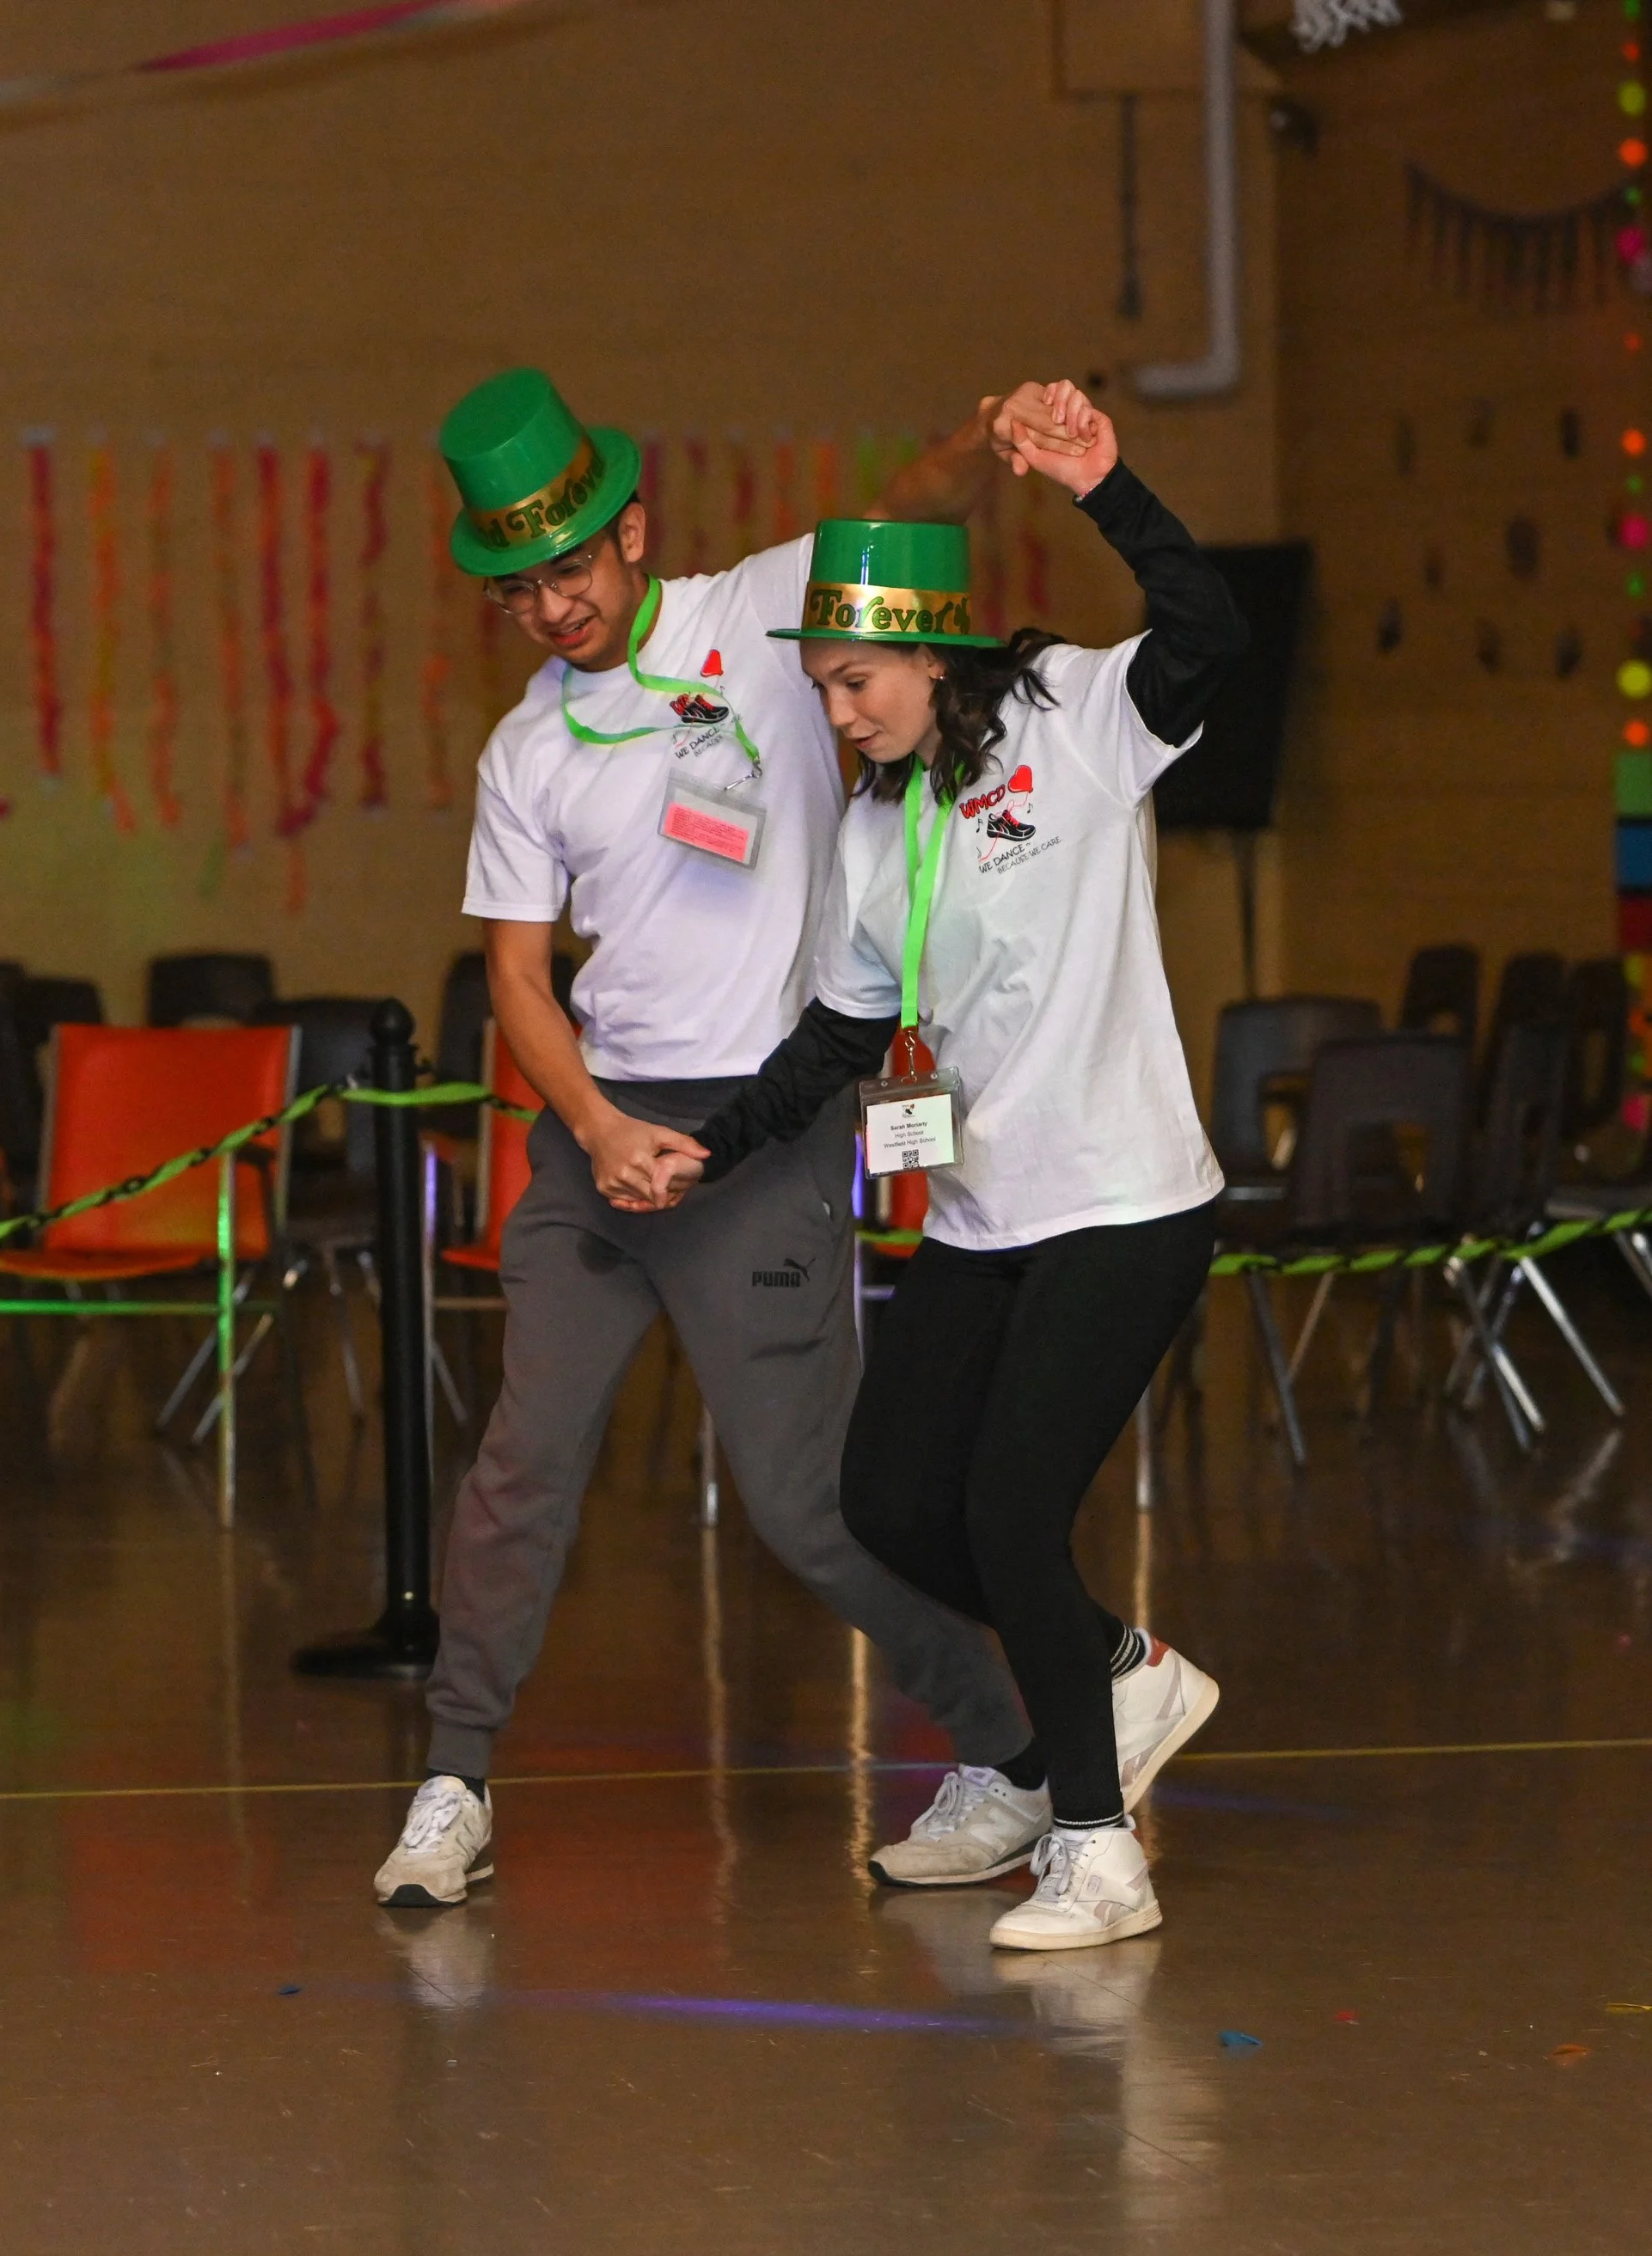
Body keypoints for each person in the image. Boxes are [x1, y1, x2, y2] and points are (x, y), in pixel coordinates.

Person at [375, 368, 1214, 1909]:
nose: (552, 605)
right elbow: (522, 974)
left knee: (823, 1513)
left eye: (570, 567)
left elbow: (912, 519)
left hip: (882, 1154)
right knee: (523, 1465)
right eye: (516, 587)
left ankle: (1031, 1758)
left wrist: (1008, 447)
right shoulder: (539, 756)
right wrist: (603, 1128)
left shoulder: (786, 620)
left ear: (631, 533)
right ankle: (452, 1779)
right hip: (619, 1131)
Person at [650, 379, 1240, 1953]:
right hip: (987, 1215)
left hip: (1123, 1198)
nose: (838, 714)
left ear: (933, 652)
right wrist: (694, 1151)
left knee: (1004, 1510)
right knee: (893, 1497)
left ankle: (1102, 1851)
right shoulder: (871, 830)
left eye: (857, 683)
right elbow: (839, 1047)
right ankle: (1087, 1716)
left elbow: (1210, 637)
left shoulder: (1072, 719)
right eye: (824, 689)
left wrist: (1109, 486)